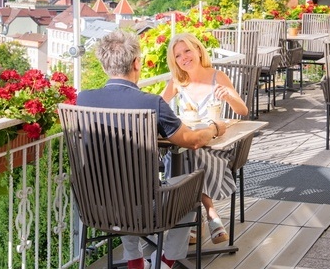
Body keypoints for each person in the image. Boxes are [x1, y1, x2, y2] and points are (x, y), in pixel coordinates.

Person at [77, 30, 226, 269]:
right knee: (192, 185)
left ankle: (135, 259)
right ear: (137, 63)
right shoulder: (150, 103)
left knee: (119, 183)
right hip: (143, 208)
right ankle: (166, 260)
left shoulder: (83, 100)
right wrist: (215, 128)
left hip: (93, 204)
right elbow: (193, 140)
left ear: (105, 67)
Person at [162, 33, 248, 245]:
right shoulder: (177, 82)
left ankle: (196, 220)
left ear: (199, 50)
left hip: (218, 147)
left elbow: (243, 110)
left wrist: (228, 97)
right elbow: (159, 108)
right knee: (186, 153)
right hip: (192, 145)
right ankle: (210, 215)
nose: (184, 57)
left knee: (187, 156)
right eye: (178, 55)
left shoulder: (217, 77)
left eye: (187, 51)